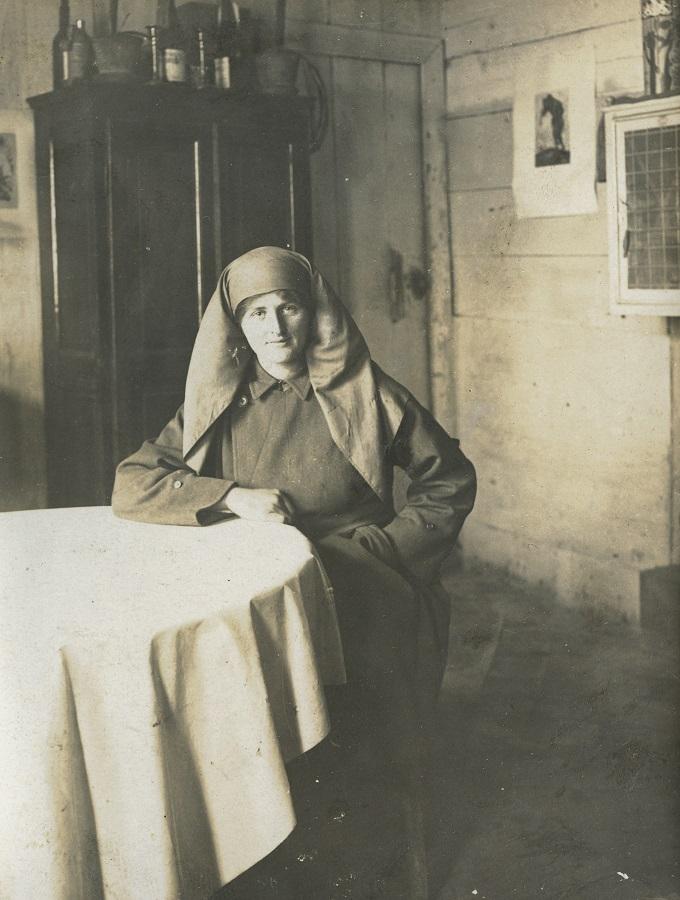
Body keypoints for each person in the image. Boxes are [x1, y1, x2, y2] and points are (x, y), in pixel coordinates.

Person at [112, 246, 476, 899]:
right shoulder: (217, 405)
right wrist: (228, 496)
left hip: (362, 588)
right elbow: (134, 483)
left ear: (316, 315)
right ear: (235, 326)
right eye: (256, 313)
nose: (275, 328)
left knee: (375, 750)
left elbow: (447, 479)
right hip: (259, 599)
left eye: (289, 307)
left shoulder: (367, 394)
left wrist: (385, 551)